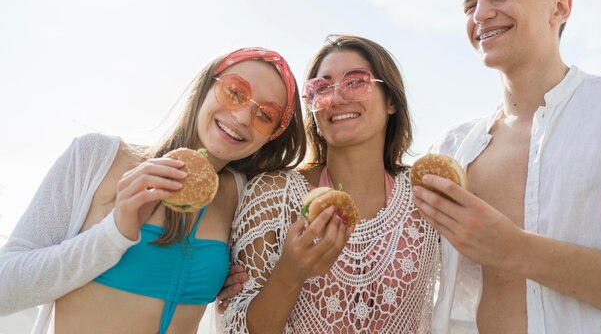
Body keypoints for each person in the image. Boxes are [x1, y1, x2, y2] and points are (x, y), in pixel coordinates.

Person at [0, 47, 306, 334]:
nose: (242, 117)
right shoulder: (96, 157)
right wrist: (114, 232)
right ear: (207, 86)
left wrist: (227, 285)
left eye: (266, 115)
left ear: (273, 135)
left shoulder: (243, 196)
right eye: (234, 91)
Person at [412, 0, 601, 333]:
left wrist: (513, 249)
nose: (479, 14)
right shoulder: (450, 149)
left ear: (559, 8)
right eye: (469, 6)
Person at [221, 35, 439, 334]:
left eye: (356, 81)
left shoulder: (426, 198)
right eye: (321, 88)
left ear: (391, 100)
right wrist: (290, 272)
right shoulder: (273, 194)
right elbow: (236, 329)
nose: (335, 99)